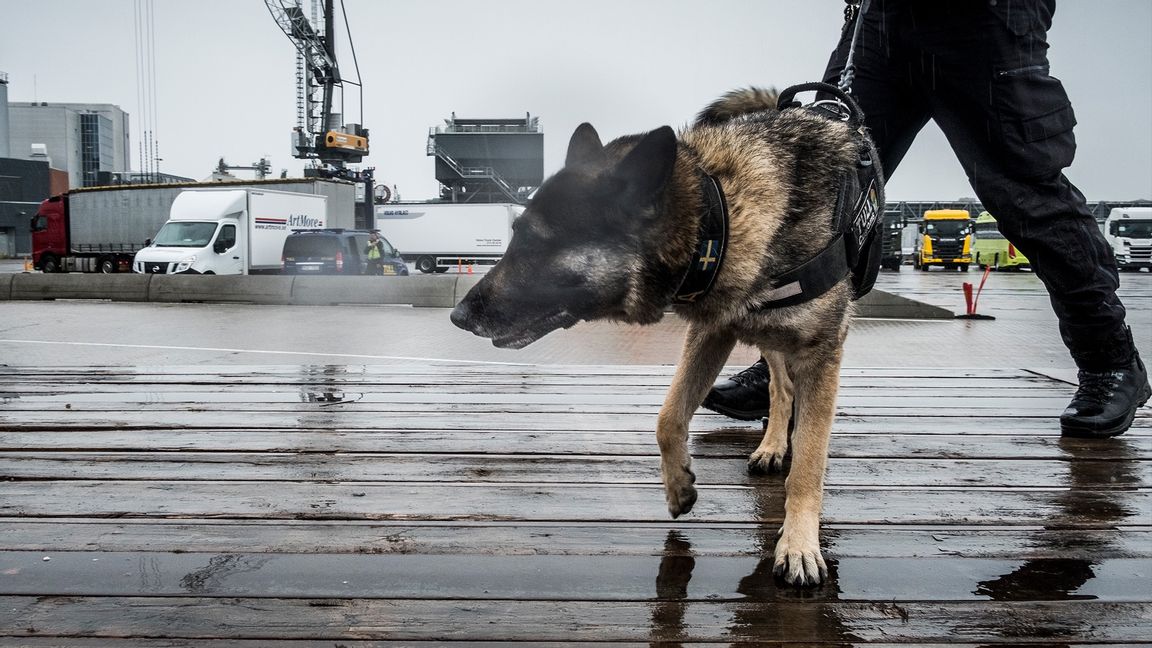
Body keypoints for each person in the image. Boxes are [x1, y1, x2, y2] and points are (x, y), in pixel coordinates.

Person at [703, 0, 1150, 438]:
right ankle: (784, 370)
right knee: (824, 184)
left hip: (984, 24)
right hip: (882, 21)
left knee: (1027, 194)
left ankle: (1109, 359)